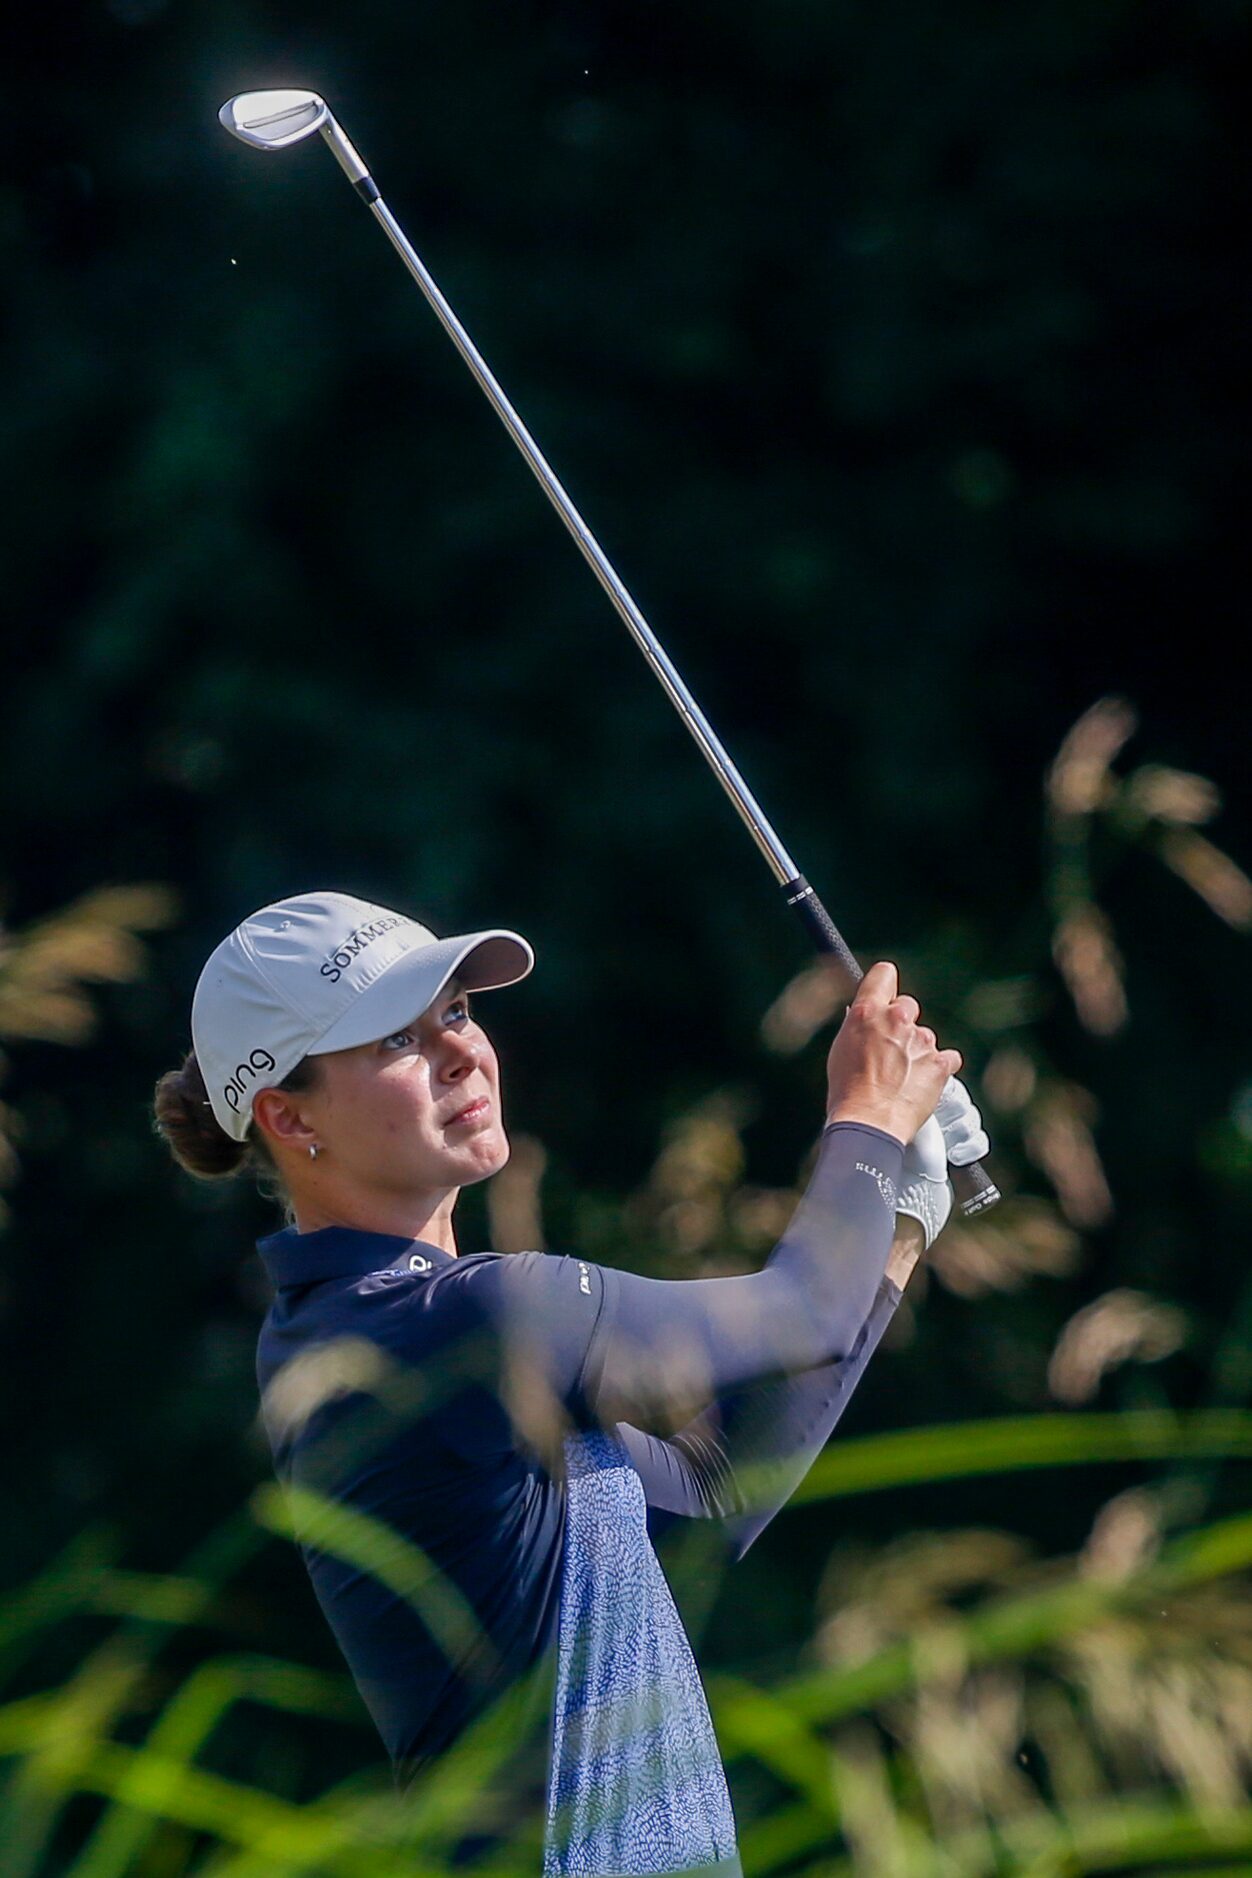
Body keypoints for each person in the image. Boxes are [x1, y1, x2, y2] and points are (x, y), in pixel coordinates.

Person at [153, 890, 988, 1878]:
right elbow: (800, 1309)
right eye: (394, 1041)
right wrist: (865, 1123)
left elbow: (708, 1493)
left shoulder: (365, 1324)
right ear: (288, 1115)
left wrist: (900, 1213)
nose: (461, 1051)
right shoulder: (455, 1324)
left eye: (456, 1012)